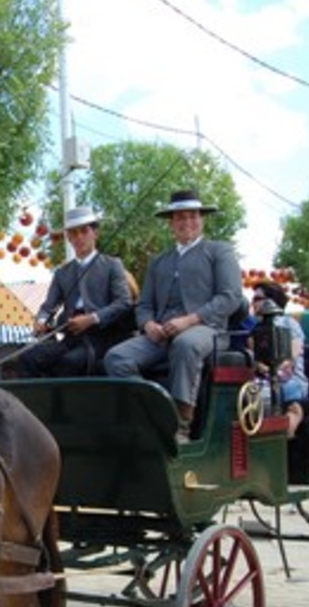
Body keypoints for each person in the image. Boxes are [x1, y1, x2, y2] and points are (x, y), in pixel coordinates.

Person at [103, 189, 243, 443]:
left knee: (185, 344)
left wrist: (189, 320)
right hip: (161, 333)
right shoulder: (160, 261)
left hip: (208, 330)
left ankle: (180, 425)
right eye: (180, 218)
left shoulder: (219, 252)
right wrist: (148, 325)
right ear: (172, 223)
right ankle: (153, 412)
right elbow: (144, 304)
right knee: (116, 357)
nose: (186, 222)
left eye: (192, 216)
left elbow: (230, 297)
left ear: (201, 219)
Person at [18, 206, 133, 377]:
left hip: (102, 338)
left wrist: (92, 319)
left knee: (70, 362)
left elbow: (124, 303)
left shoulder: (112, 265)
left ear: (95, 233)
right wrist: (41, 320)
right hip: (71, 338)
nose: (79, 237)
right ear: (68, 238)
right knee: (28, 357)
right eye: (73, 233)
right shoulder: (62, 273)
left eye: (84, 231)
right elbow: (48, 306)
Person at [251, 280, 307, 437]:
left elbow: (293, 354)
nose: (253, 303)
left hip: (289, 378)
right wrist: (258, 366)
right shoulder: (255, 328)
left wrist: (274, 369)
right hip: (262, 379)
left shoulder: (289, 324)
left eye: (257, 299)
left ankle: (289, 428)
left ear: (271, 300)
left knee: (289, 391)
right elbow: (252, 354)